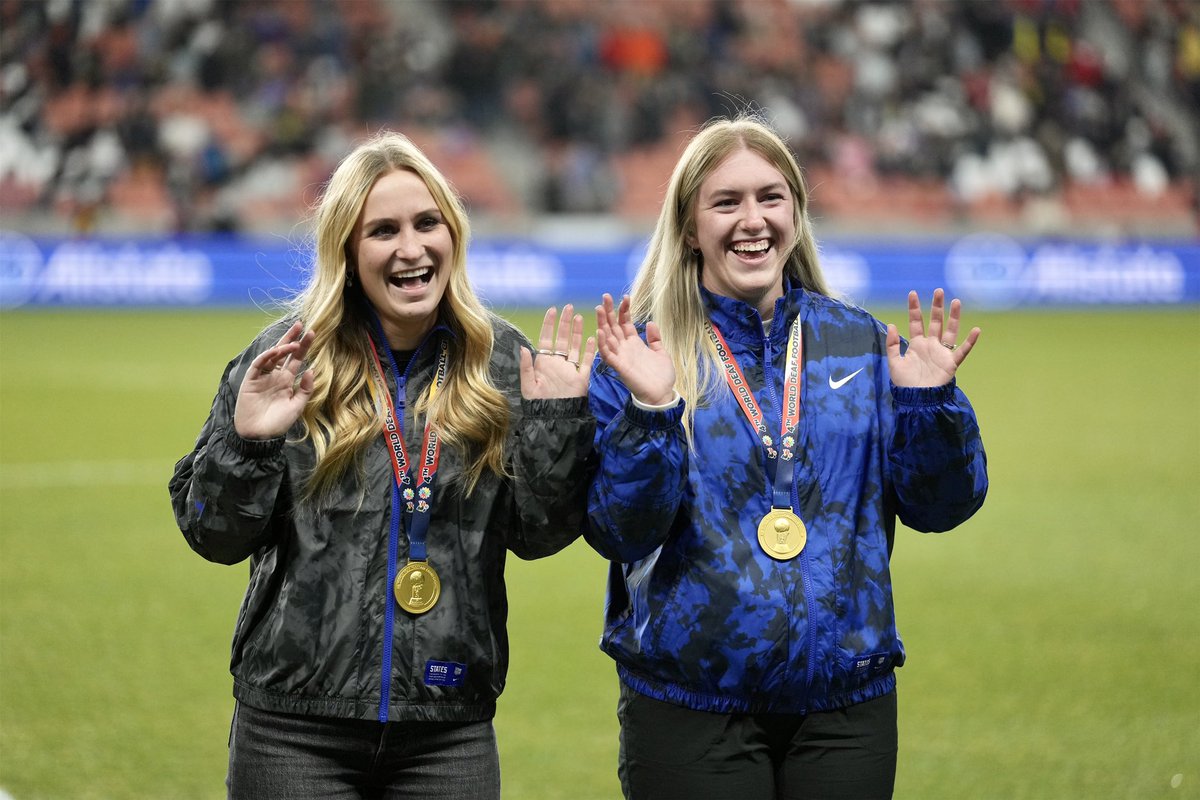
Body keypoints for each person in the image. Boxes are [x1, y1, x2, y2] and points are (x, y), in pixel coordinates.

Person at [168, 130, 596, 799]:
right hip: (293, 730)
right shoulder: (286, 359)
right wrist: (248, 444)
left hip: (448, 731)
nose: (411, 248)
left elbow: (540, 534)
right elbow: (213, 536)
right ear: (347, 249)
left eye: (427, 223)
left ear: (453, 233)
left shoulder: (502, 362)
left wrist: (557, 423)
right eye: (383, 231)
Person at [585, 115, 988, 799]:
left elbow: (943, 506)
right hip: (690, 704)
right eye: (726, 202)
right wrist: (651, 413)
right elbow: (620, 531)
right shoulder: (642, 357)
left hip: (845, 705)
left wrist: (930, 407)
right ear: (689, 228)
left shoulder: (862, 344)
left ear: (796, 216)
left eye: (771, 197)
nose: (753, 220)